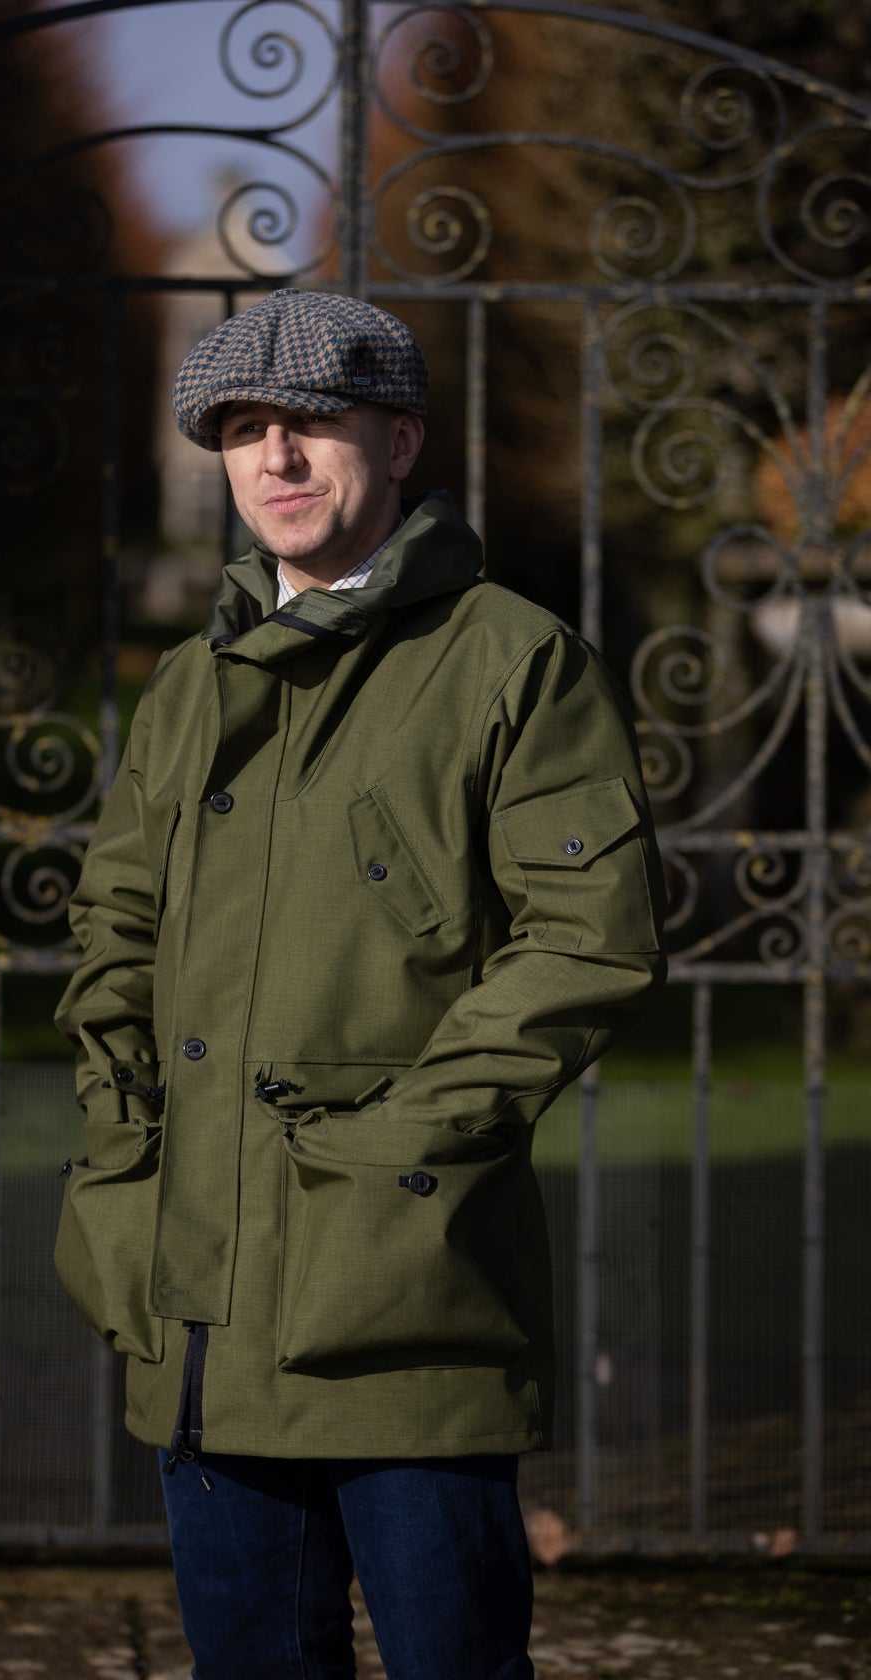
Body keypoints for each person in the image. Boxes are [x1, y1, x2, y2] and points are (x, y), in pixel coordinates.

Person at [54, 289, 666, 1680]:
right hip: (197, 1311)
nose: (275, 458)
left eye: (312, 423)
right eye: (244, 428)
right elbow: (113, 939)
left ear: (399, 440)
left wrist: (401, 1149)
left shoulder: (513, 662)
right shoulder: (186, 690)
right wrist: (118, 1162)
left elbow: (591, 938)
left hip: (405, 1300)